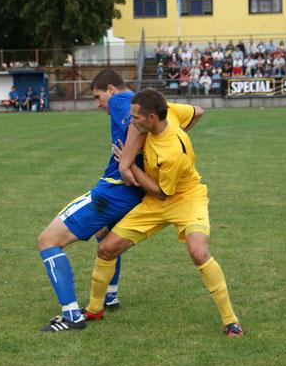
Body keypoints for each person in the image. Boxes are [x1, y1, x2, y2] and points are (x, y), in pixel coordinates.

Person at [82, 88, 242, 337]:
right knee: (106, 248)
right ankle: (93, 309)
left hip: (185, 198)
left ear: (152, 118)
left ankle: (231, 322)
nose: (131, 122)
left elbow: (161, 193)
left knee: (199, 253)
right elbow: (198, 111)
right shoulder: (170, 112)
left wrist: (130, 163)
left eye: (135, 118)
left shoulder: (172, 153)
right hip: (155, 202)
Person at [37, 70, 152, 332]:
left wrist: (125, 164)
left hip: (113, 191)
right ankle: (110, 295)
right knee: (105, 233)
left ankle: (71, 316)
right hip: (133, 194)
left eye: (97, 96)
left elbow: (137, 126)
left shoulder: (120, 102)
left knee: (47, 241)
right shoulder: (140, 100)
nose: (97, 103)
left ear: (110, 89)